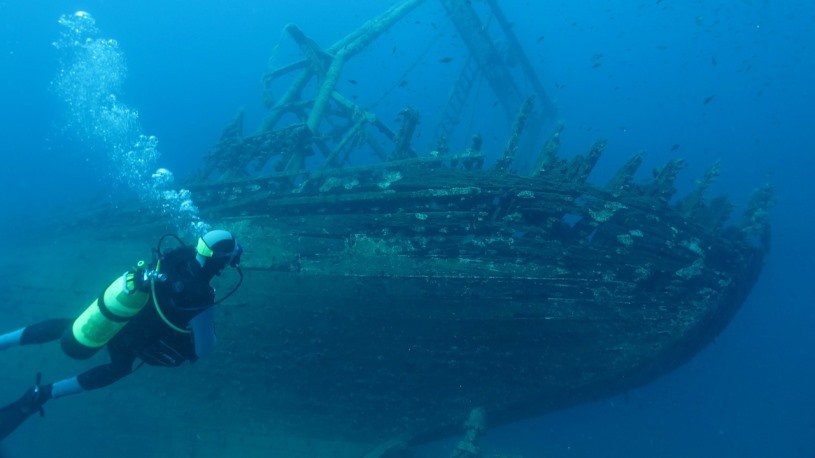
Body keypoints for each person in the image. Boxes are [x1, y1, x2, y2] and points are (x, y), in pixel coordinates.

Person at [0, 229, 243, 440]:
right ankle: (45, 393)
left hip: (120, 314)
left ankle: (3, 341)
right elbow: (204, 350)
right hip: (135, 340)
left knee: (73, 324)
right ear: (221, 262)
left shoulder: (179, 254)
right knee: (119, 368)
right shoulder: (202, 298)